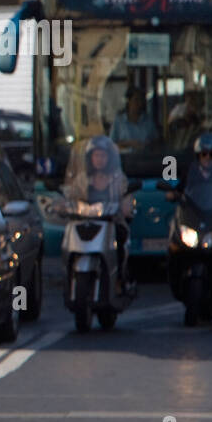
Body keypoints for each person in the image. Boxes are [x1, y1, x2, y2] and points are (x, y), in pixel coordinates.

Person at [63, 136, 134, 288]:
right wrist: (61, 205)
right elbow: (71, 196)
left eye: (103, 155)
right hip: (85, 222)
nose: (99, 159)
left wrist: (126, 207)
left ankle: (120, 278)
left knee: (121, 235)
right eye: (96, 155)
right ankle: (69, 277)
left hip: (111, 222)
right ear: (90, 158)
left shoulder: (118, 179)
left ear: (110, 158)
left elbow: (127, 197)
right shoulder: (81, 179)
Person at [110, 86, 156, 151]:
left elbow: (156, 142)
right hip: (124, 158)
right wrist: (128, 143)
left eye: (141, 100)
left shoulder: (148, 121)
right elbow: (111, 144)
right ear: (129, 101)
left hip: (145, 158)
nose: (139, 103)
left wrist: (146, 145)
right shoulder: (119, 121)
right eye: (136, 100)